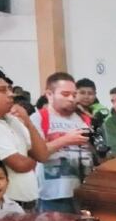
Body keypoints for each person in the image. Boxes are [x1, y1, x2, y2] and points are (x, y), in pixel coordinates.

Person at [0, 69, 51, 211]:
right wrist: (32, 157)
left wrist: (28, 122)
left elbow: (43, 155)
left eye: (10, 89)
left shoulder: (12, 120)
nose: (10, 94)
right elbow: (20, 165)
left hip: (29, 201)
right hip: (5, 204)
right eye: (2, 90)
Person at [30, 72, 95, 213]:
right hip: (53, 195)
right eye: (65, 94)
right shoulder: (39, 118)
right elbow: (38, 153)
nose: (71, 99)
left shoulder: (83, 119)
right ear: (49, 94)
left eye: (74, 94)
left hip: (83, 192)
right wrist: (66, 139)